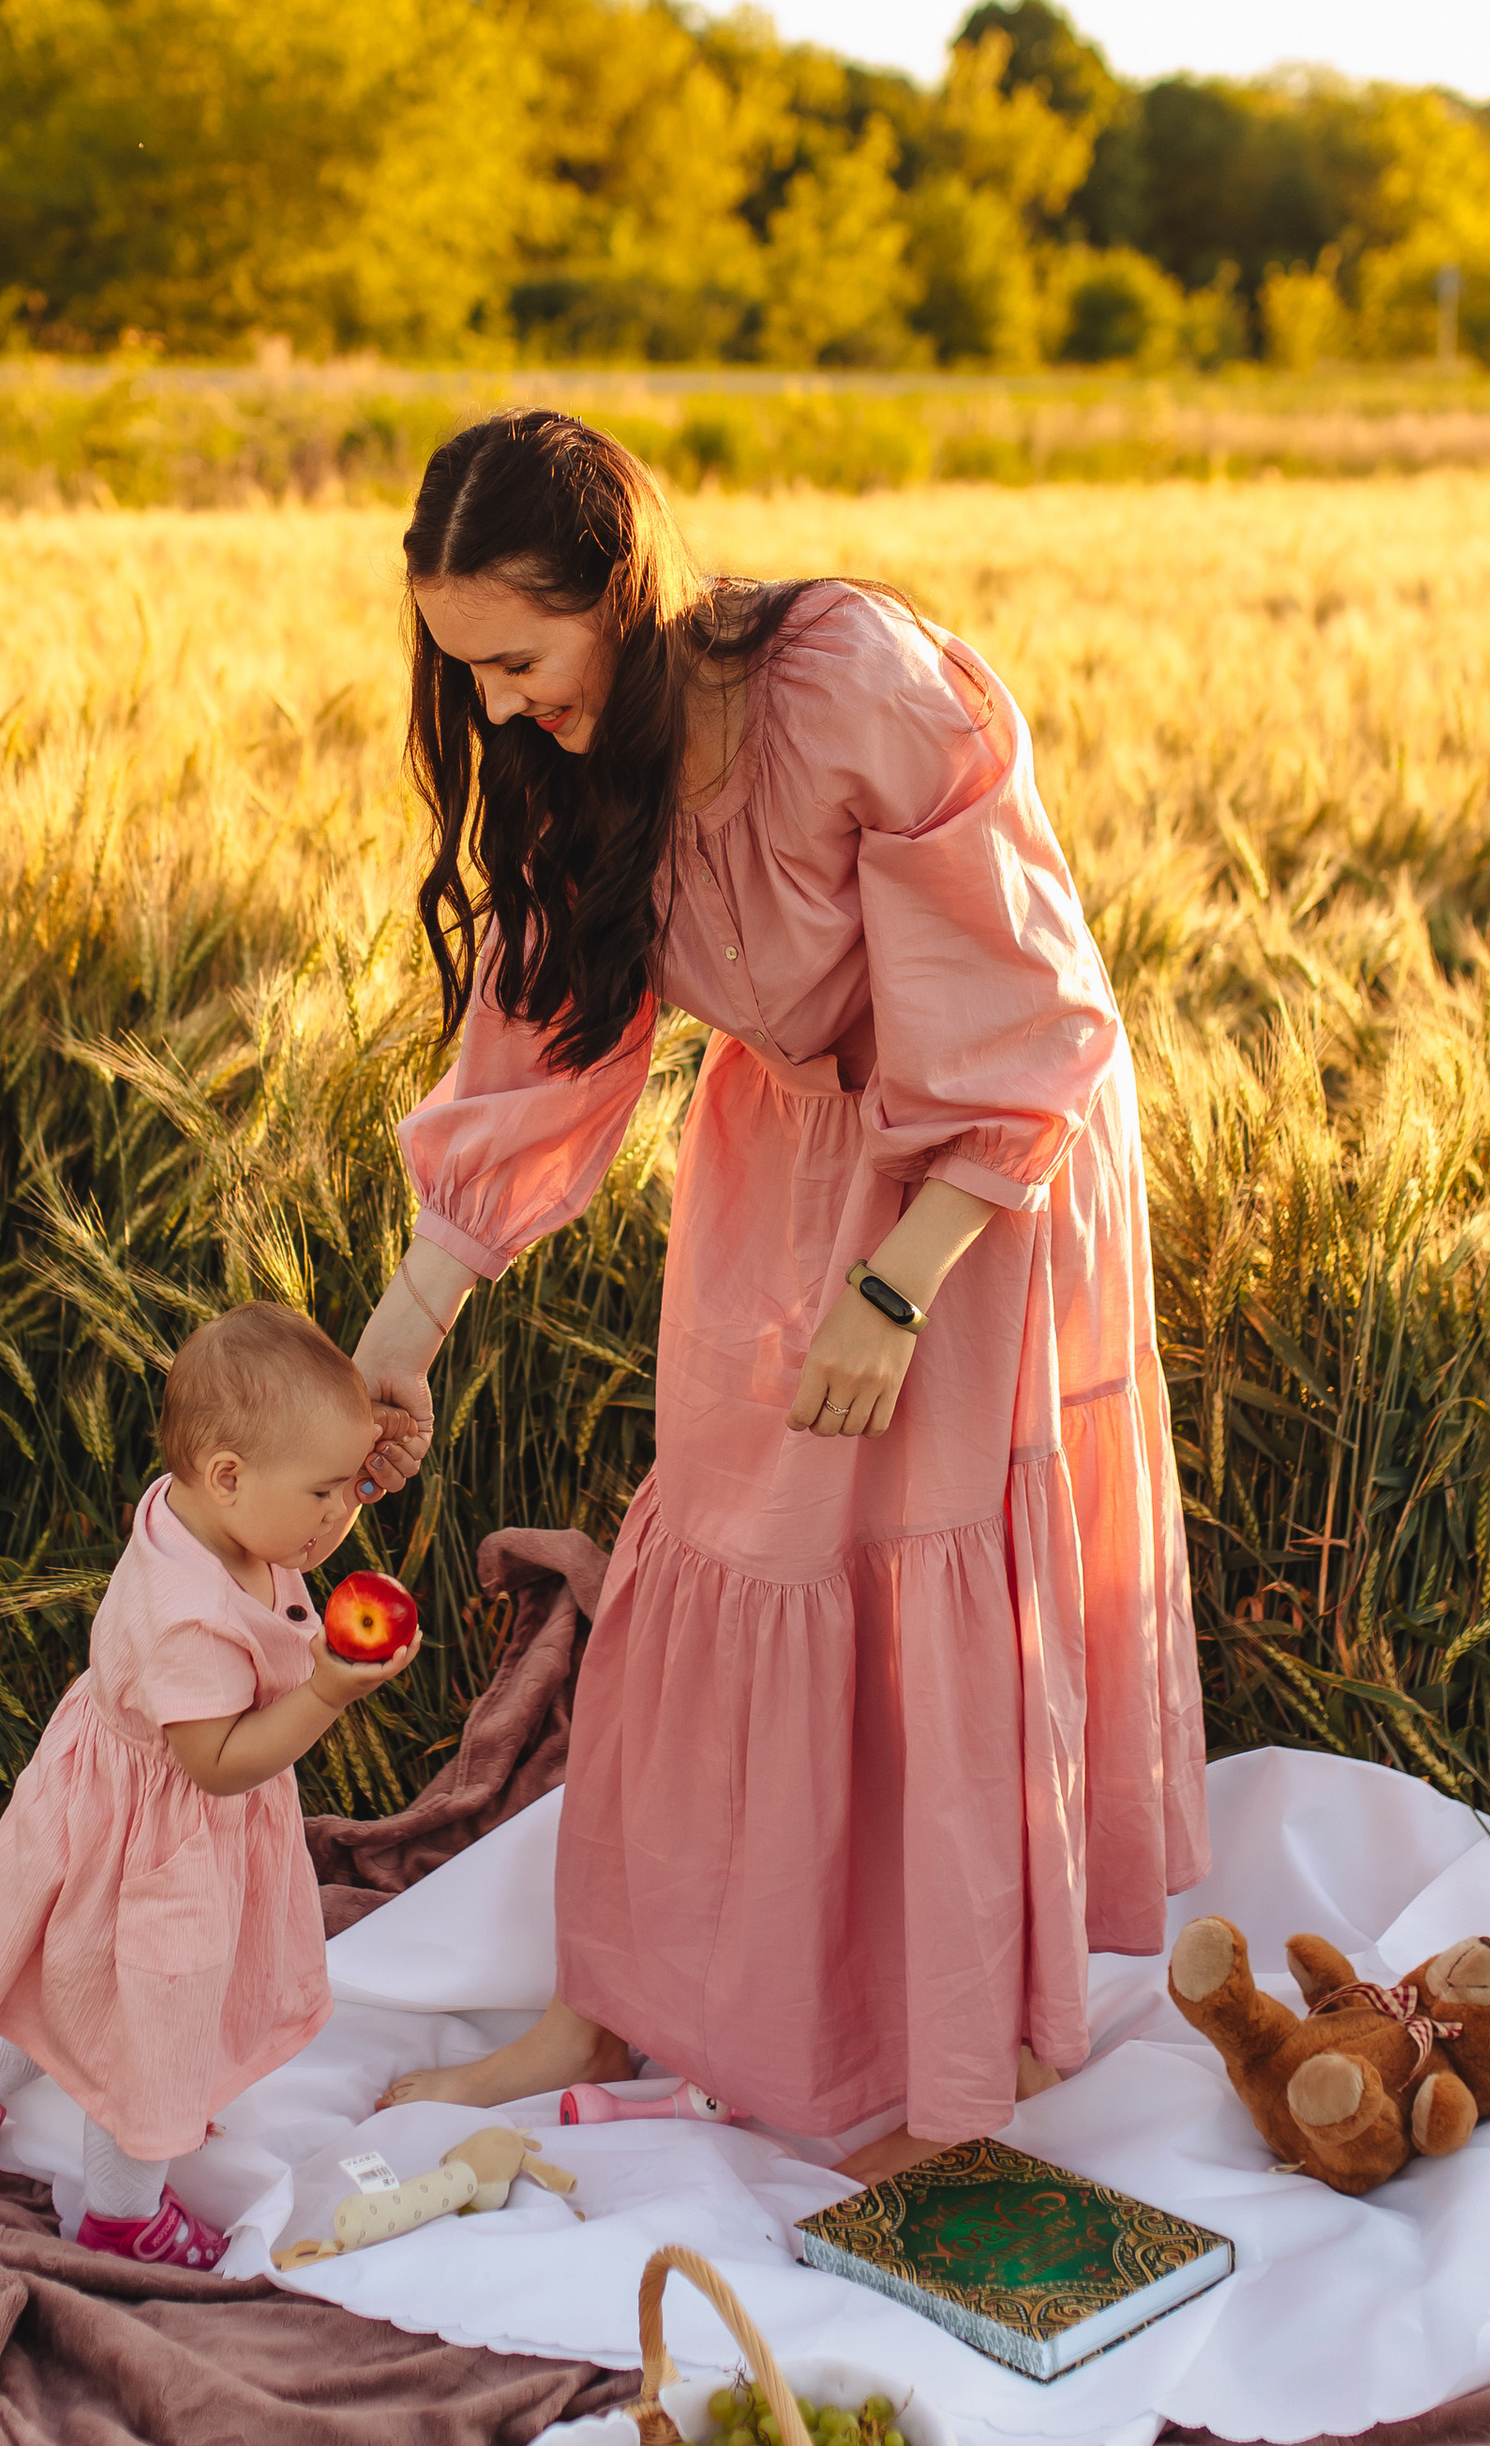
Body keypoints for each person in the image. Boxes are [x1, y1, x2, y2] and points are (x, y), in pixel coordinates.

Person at [350, 411, 1204, 2185]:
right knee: (704, 1573)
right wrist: (407, 1328)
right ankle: (606, 2008)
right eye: (466, 673)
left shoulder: (848, 686)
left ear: (621, 590)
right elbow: (539, 1050)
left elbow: (1024, 1018)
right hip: (792, 1151)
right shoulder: (580, 763)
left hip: (979, 1172)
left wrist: (890, 1296)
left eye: (519, 657)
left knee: (922, 1575)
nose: (501, 706)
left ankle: (949, 2065)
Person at [0, 1303, 421, 2257]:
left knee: (78, 1984)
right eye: (323, 1493)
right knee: (145, 2037)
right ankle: (121, 2218)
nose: (337, 1517)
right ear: (229, 1478)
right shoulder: (187, 1620)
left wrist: (333, 1473)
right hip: (164, 1844)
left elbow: (285, 1511)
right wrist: (325, 1692)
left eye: (344, 1490)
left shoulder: (204, 1509)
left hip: (121, 1813)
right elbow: (217, 1766)